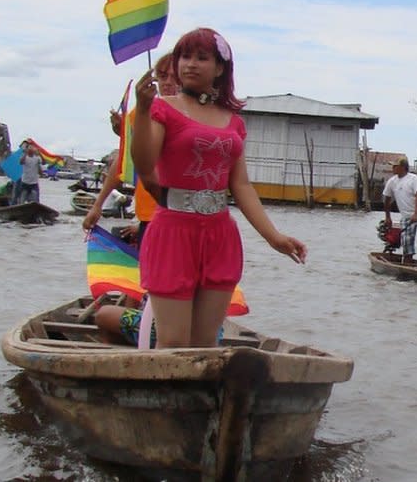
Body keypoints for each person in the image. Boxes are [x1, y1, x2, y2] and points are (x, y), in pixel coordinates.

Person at [131, 27, 306, 348]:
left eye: (202, 58)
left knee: (205, 342)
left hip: (219, 235)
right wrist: (142, 112)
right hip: (173, 232)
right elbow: (144, 165)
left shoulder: (233, 121)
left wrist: (274, 237)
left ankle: (199, 399)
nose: (190, 65)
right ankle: (168, 397)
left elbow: (240, 186)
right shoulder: (162, 108)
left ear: (220, 68)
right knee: (172, 343)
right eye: (185, 56)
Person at [83, 53, 177, 245]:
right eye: (162, 76)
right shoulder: (140, 113)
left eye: (174, 77)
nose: (168, 82)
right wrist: (98, 205)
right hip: (148, 212)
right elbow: (124, 161)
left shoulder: (196, 117)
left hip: (179, 214)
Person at [383, 156, 417, 264]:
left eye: (395, 166)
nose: (393, 168)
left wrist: (416, 214)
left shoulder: (413, 178)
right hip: (406, 215)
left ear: (402, 167)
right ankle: (408, 261)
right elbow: (387, 199)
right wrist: (388, 217)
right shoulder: (392, 181)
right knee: (406, 243)